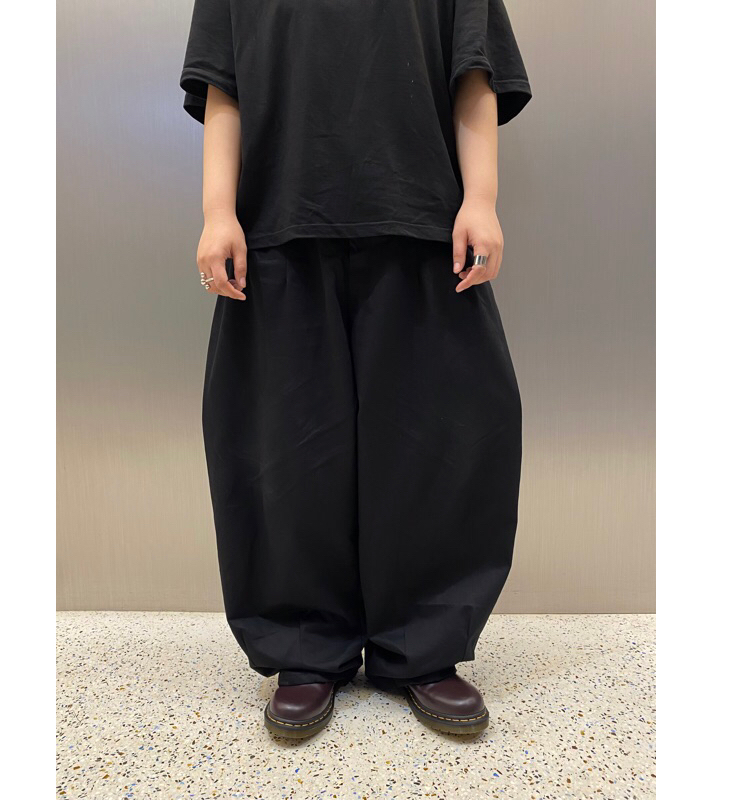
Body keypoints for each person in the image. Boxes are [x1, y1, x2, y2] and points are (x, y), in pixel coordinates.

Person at [180, 0, 531, 738]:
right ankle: (305, 647)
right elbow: (223, 84)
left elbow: (475, 70)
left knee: (437, 443)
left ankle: (423, 644)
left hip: (422, 220)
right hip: (278, 224)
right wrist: (217, 212)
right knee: (286, 452)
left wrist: (482, 198)